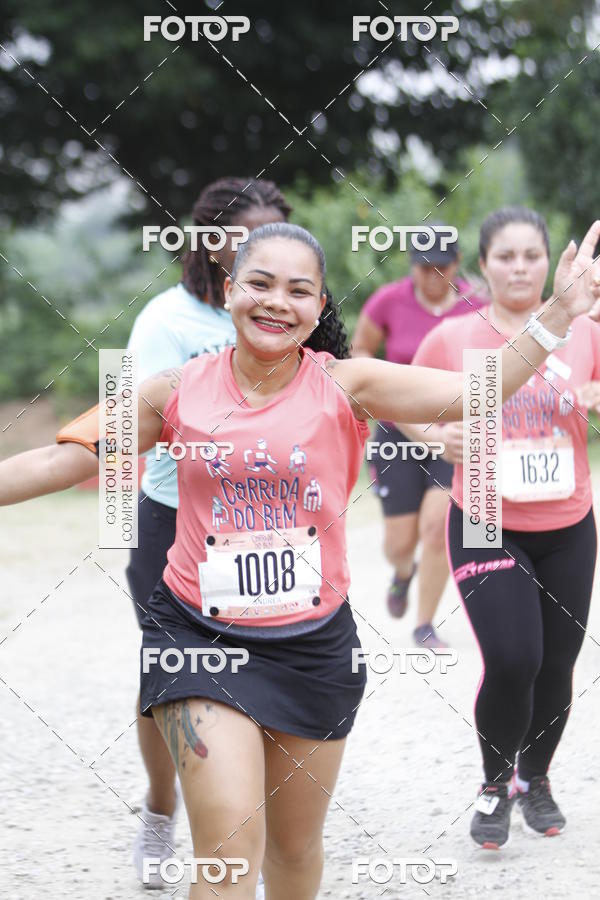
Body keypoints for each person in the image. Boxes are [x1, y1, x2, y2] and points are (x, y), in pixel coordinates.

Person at [2, 220, 599, 898]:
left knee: (293, 855)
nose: (276, 302)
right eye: (258, 284)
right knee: (229, 849)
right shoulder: (176, 392)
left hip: (315, 649)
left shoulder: (347, 384)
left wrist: (558, 313)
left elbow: (477, 393)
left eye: (298, 290)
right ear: (230, 291)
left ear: (319, 308)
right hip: (202, 641)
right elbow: (61, 459)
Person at [411, 207, 600, 850]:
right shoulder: (451, 339)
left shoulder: (585, 331)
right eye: (505, 257)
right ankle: (496, 784)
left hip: (570, 520)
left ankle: (536, 780)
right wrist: (438, 436)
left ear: (551, 262)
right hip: (487, 518)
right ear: (482, 265)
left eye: (531, 256)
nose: (519, 267)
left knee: (557, 667)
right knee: (515, 658)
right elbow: (401, 406)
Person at [124, 176, 290, 890]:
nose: (258, 255)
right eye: (243, 241)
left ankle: (243, 817)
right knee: (172, 680)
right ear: (209, 242)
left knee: (260, 673)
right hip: (174, 521)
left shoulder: (289, 307)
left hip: (268, 523)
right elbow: (125, 419)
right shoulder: (168, 320)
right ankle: (162, 812)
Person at [351, 231, 487, 647]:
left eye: (442, 267)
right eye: (424, 267)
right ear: (412, 264)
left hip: (453, 434)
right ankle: (402, 573)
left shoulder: (478, 305)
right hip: (398, 432)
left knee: (436, 528)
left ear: (457, 261)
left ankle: (424, 624)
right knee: (399, 543)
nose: (433, 276)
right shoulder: (388, 301)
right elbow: (360, 352)